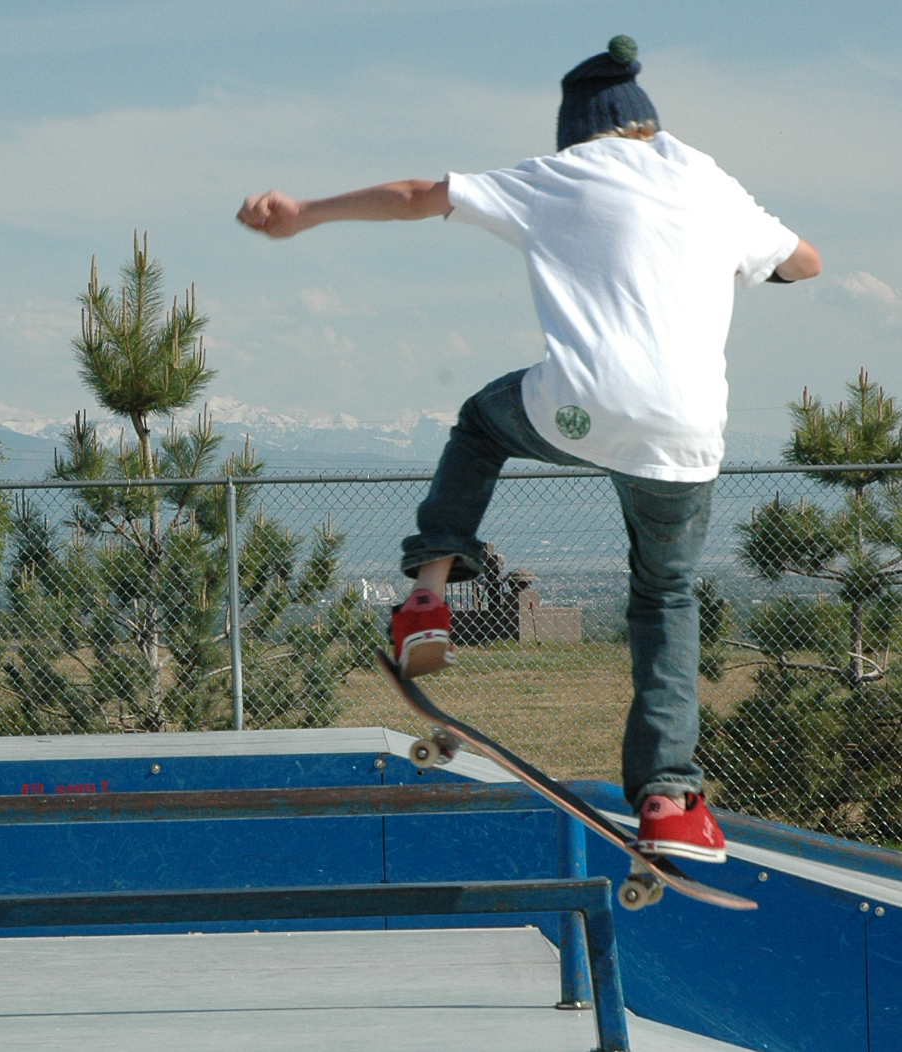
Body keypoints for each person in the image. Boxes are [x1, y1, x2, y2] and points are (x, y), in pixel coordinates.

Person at [236, 35, 821, 861]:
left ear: (580, 133)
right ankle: (670, 800)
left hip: (578, 408)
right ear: (647, 127)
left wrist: (304, 214)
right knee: (665, 597)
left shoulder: (558, 174)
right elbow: (806, 262)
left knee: (481, 423)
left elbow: (415, 194)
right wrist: (758, 265)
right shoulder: (710, 181)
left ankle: (428, 594)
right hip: (685, 434)